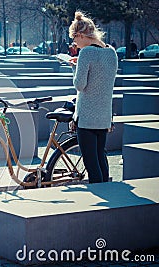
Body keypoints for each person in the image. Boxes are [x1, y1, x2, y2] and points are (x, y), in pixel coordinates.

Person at [68, 11, 118, 184]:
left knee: (92, 165)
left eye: (74, 39)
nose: (74, 44)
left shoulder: (86, 53)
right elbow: (102, 81)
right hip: (104, 116)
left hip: (87, 117)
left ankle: (100, 200)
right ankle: (108, 195)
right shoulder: (111, 52)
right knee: (101, 159)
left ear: (80, 35)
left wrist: (74, 68)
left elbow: (79, 85)